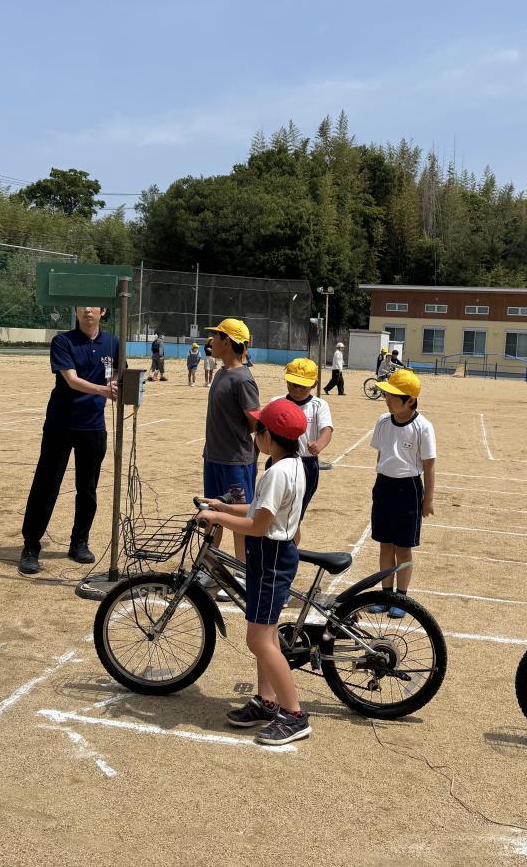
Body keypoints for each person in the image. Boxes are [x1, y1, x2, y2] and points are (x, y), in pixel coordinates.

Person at [197, 397, 311, 746]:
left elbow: (259, 525)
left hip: (270, 557)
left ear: (269, 436)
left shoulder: (276, 472)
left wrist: (216, 517)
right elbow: (262, 509)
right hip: (274, 555)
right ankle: (267, 701)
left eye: (258, 430)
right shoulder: (290, 464)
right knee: (268, 635)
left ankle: (294, 715)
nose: (254, 435)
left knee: (258, 640)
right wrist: (224, 506)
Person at [19, 306, 120, 575]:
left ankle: (79, 542)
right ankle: (31, 546)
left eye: (93, 306)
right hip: (60, 425)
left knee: (87, 488)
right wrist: (104, 390)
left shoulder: (113, 343)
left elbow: (118, 374)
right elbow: (72, 380)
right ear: (75, 310)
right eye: (82, 306)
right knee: (46, 486)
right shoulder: (63, 341)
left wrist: (119, 384)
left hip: (93, 426)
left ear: (103, 311)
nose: (87, 311)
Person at [369, 368, 436, 618]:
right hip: (384, 486)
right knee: (385, 544)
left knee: (403, 547)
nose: (387, 400)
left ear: (410, 400)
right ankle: (386, 595)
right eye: (386, 395)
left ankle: (401, 598)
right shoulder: (383, 421)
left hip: (408, 489)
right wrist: (379, 481)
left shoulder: (423, 427)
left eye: (393, 397)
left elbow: (429, 465)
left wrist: (428, 499)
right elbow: (381, 454)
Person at [203, 318, 260, 563]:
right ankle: (208, 568)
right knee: (211, 513)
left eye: (216, 336)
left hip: (235, 462)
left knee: (239, 519)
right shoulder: (221, 372)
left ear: (227, 341)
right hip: (213, 457)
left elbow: (255, 423)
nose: (211, 342)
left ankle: (243, 572)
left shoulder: (243, 379)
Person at [270, 358, 333, 545]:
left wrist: (319, 444)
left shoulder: (319, 405)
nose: (296, 390)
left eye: (302, 386)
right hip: (277, 462)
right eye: (292, 384)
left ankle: (290, 553)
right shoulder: (277, 402)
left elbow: (327, 429)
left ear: (314, 384)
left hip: (305, 465)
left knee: (294, 517)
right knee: (272, 511)